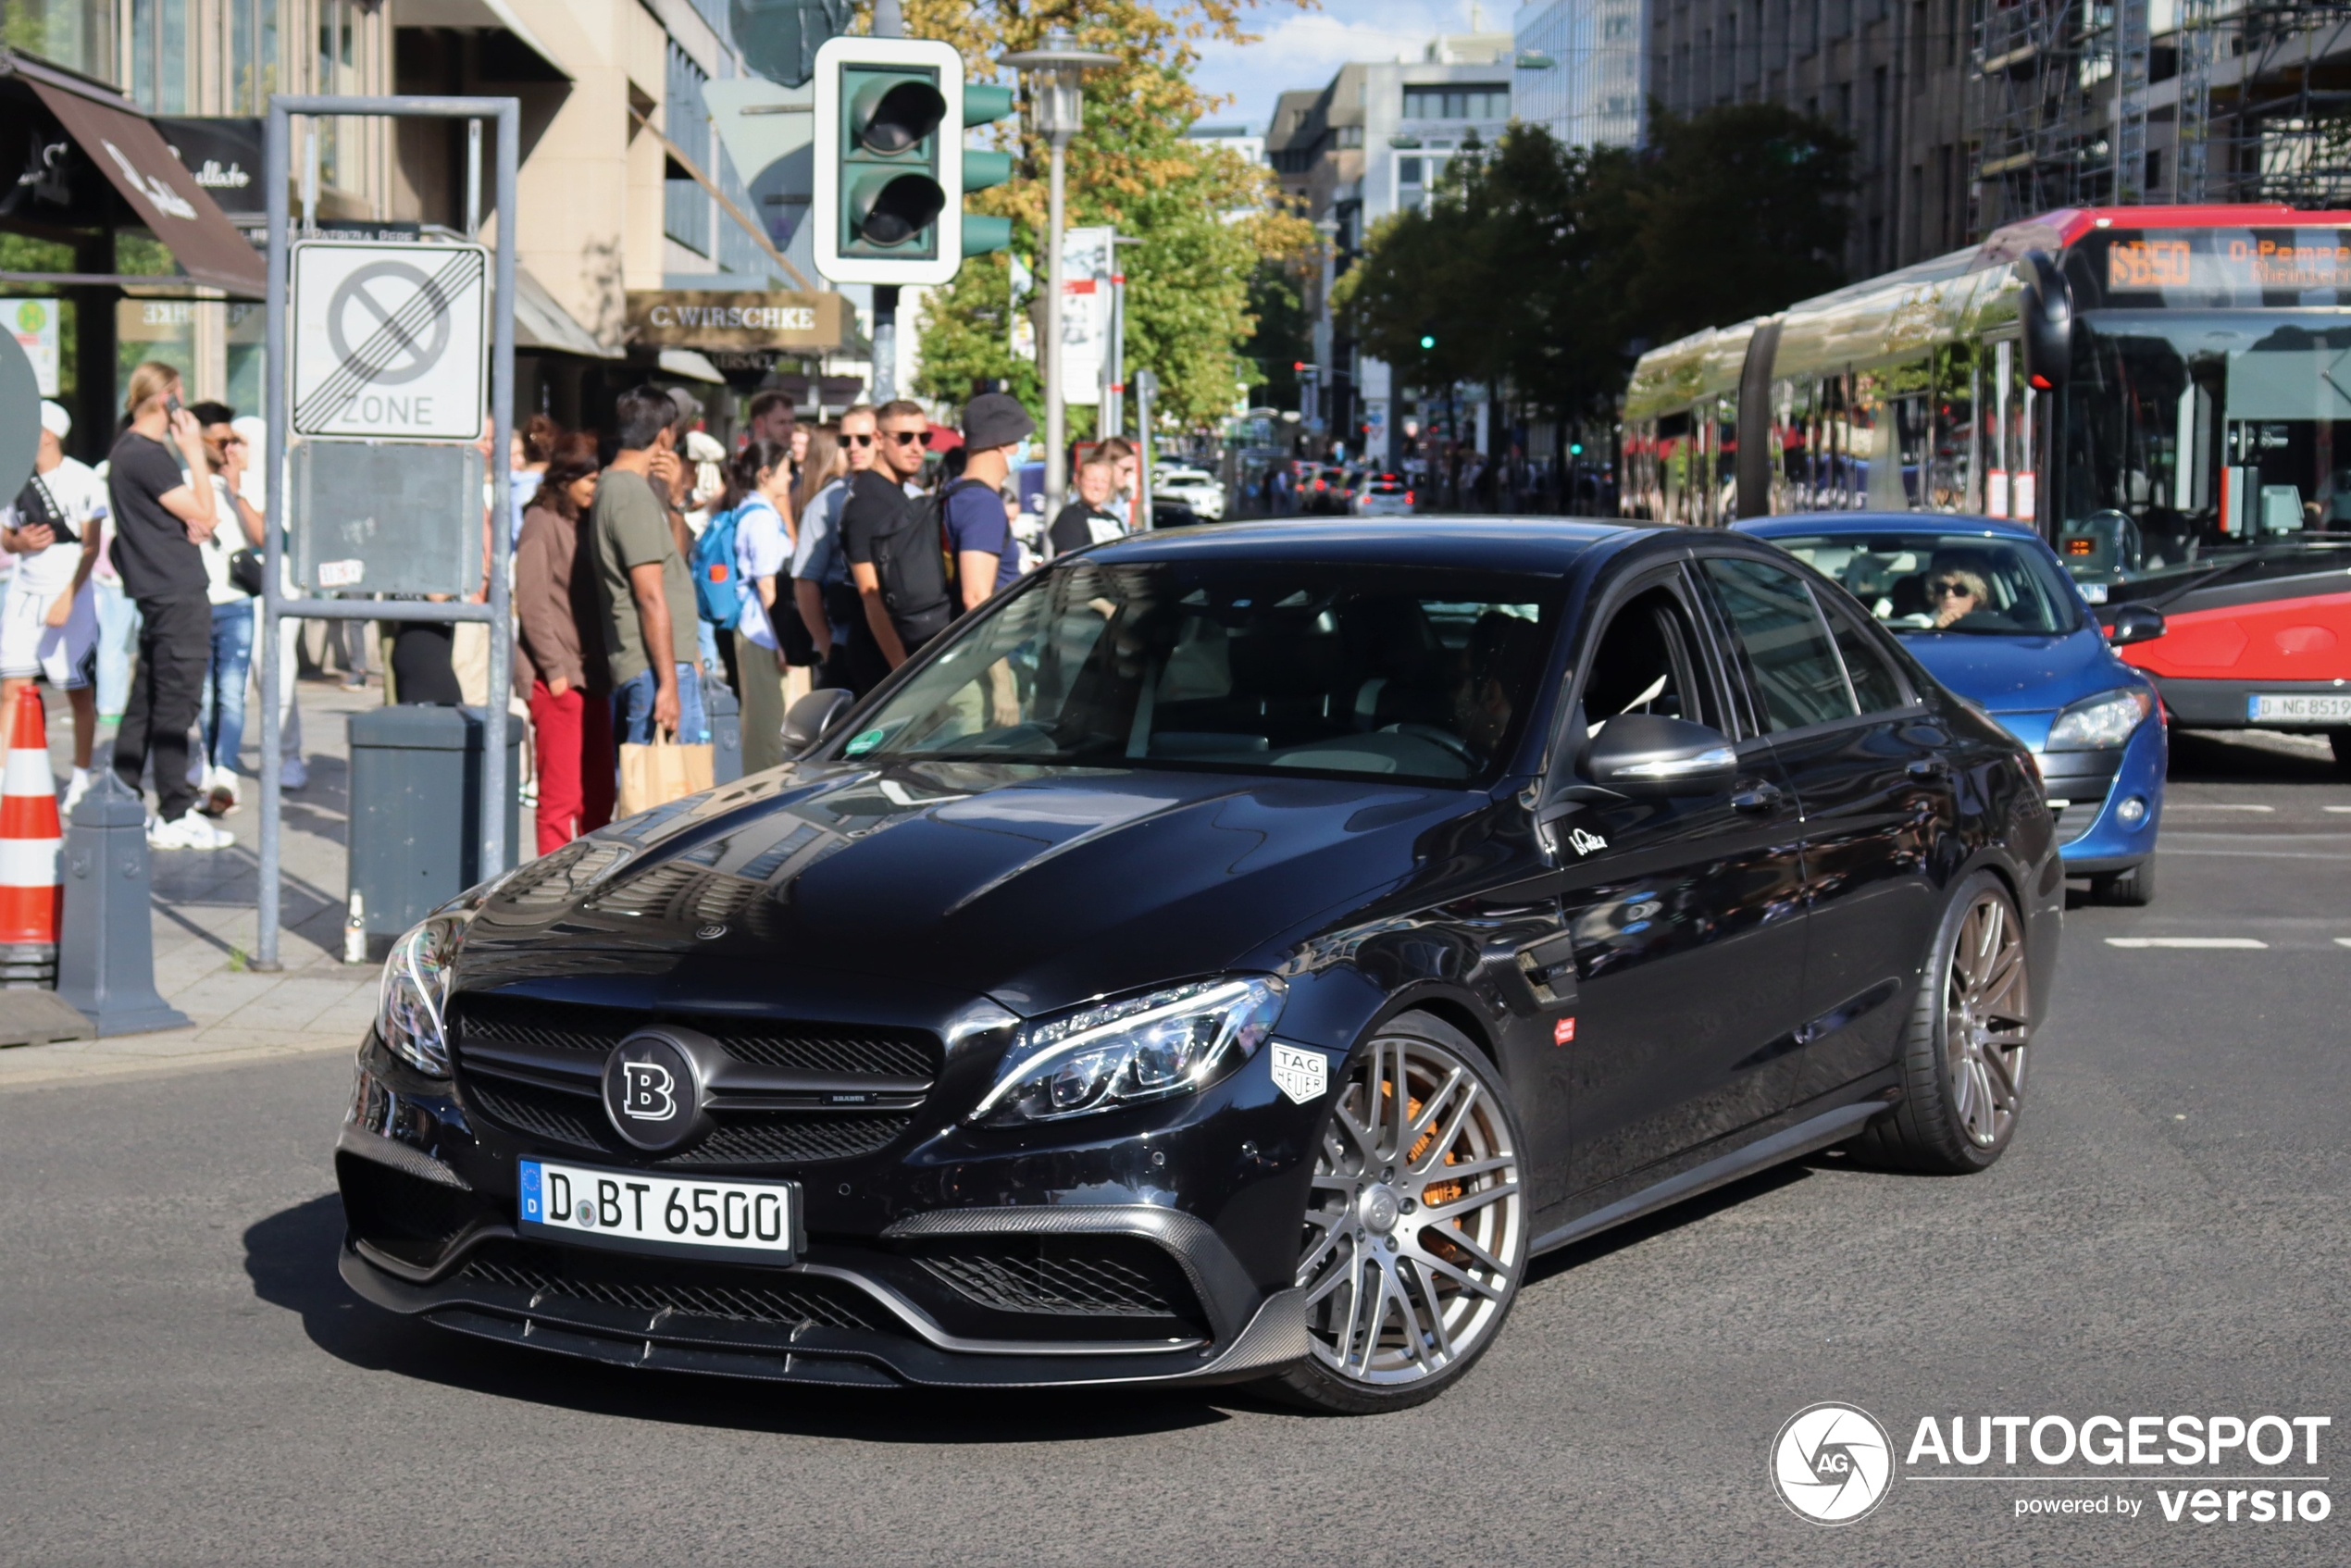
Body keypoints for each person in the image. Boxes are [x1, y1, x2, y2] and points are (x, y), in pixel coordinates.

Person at [107, 362, 230, 850]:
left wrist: (196, 519)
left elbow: (197, 519)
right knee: (177, 700)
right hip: (176, 592)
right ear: (169, 400)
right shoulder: (148, 454)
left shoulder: (125, 453)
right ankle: (175, 811)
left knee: (148, 700)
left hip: (158, 591)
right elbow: (208, 513)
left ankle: (124, 793)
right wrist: (193, 453)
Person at [0, 400, 105, 813]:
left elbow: (92, 546)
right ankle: (6, 777)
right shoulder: (13, 476)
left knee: (78, 689)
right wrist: (18, 543)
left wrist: (68, 596)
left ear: (47, 434)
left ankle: (80, 776)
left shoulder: (84, 479)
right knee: (12, 687)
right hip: (25, 591)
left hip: (71, 594)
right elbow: (7, 535)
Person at [591, 385, 706, 750]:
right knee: (673, 801)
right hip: (653, 668)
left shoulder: (623, 487)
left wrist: (675, 500)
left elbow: (671, 563)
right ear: (663, 436)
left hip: (658, 663)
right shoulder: (628, 492)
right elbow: (650, 596)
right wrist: (669, 684)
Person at [516, 433, 614, 852]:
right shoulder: (541, 520)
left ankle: (591, 886)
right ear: (566, 477)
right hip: (559, 679)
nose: (596, 488)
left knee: (600, 796)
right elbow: (531, 603)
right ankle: (552, 897)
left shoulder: (587, 518)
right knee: (560, 801)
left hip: (593, 675)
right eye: (589, 479)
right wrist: (555, 673)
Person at [188, 402, 267, 815]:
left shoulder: (243, 483)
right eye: (223, 440)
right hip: (198, 601)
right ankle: (207, 766)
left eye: (235, 440)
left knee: (232, 694)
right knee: (203, 695)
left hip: (236, 601)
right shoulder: (182, 481)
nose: (231, 447)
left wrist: (236, 489)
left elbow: (262, 538)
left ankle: (226, 771)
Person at [840, 399, 953, 677]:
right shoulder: (866, 504)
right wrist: (902, 670)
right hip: (884, 668)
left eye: (923, 437)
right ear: (879, 439)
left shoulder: (895, 495)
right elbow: (871, 597)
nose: (916, 447)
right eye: (904, 438)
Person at [722, 439, 797, 773]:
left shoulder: (753, 512)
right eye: (786, 470)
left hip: (758, 632)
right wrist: (785, 643)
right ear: (766, 474)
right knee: (767, 735)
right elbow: (769, 587)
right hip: (762, 634)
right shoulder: (762, 520)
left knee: (763, 729)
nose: (791, 477)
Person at [789, 425, 855, 691]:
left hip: (827, 632)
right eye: (847, 442)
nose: (854, 450)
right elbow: (804, 577)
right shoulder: (829, 498)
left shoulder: (811, 494)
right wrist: (827, 646)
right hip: (832, 630)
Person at [1050, 453, 1126, 555]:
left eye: (1104, 481)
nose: (1098, 486)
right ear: (1078, 479)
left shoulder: (1114, 520)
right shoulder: (1070, 516)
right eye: (1092, 480)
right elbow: (1068, 560)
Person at [746, 389, 796, 455]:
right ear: (759, 424)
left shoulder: (793, 463)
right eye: (781, 422)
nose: (788, 430)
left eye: (791, 422)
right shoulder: (744, 464)